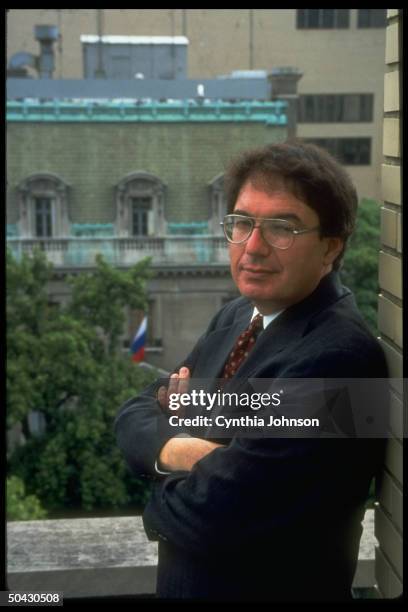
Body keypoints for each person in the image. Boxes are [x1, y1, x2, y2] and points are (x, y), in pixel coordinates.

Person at [114, 141, 387, 602]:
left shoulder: (341, 359)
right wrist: (192, 451)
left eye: (282, 227)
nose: (253, 247)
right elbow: (133, 413)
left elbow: (217, 515)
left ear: (330, 248)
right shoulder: (238, 316)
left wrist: (174, 443)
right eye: (241, 223)